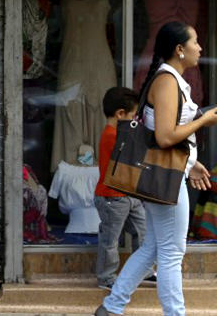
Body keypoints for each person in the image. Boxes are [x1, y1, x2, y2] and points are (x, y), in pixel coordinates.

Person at [95, 21, 217, 316]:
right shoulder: (167, 81)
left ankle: (112, 307)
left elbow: (163, 135)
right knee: (171, 252)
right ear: (180, 50)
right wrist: (203, 121)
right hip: (165, 180)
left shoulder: (170, 79)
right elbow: (166, 136)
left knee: (155, 247)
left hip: (166, 174)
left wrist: (191, 163)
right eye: (195, 42)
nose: (200, 47)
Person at [94, 87, 152, 290]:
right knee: (110, 239)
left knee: (143, 231)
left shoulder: (118, 133)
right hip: (112, 197)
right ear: (120, 114)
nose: (136, 120)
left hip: (128, 195)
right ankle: (106, 277)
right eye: (133, 116)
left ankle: (143, 271)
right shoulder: (112, 135)